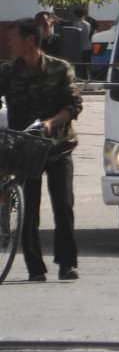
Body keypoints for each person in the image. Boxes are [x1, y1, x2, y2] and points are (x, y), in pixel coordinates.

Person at [0, 19, 82, 281]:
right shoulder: (9, 71)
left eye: (13, 37)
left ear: (30, 40)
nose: (9, 43)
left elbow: (74, 105)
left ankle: (67, 264)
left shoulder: (60, 69)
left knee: (63, 206)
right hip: (25, 150)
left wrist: (51, 122)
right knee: (29, 209)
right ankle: (35, 268)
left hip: (58, 149)